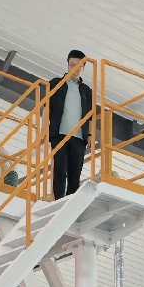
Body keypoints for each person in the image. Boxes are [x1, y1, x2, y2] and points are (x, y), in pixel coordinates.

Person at [47, 49, 94, 198]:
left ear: (83, 67)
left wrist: (90, 135)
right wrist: (43, 130)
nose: (75, 68)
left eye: (79, 66)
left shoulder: (87, 91)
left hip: (79, 138)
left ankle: (69, 201)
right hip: (59, 134)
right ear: (67, 65)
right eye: (72, 64)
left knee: (75, 174)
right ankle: (58, 201)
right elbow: (46, 108)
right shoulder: (55, 83)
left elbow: (90, 116)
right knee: (59, 171)